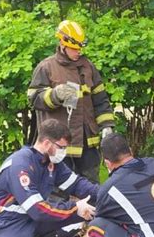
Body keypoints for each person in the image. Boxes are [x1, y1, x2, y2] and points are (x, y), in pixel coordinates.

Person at [28, 20, 115, 183]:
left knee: (91, 187)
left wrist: (107, 126)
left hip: (87, 144)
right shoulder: (46, 67)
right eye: (74, 48)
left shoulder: (88, 67)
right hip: (58, 144)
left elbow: (101, 100)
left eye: (80, 48)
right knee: (59, 191)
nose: (78, 52)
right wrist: (55, 95)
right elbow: (34, 98)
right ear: (62, 44)